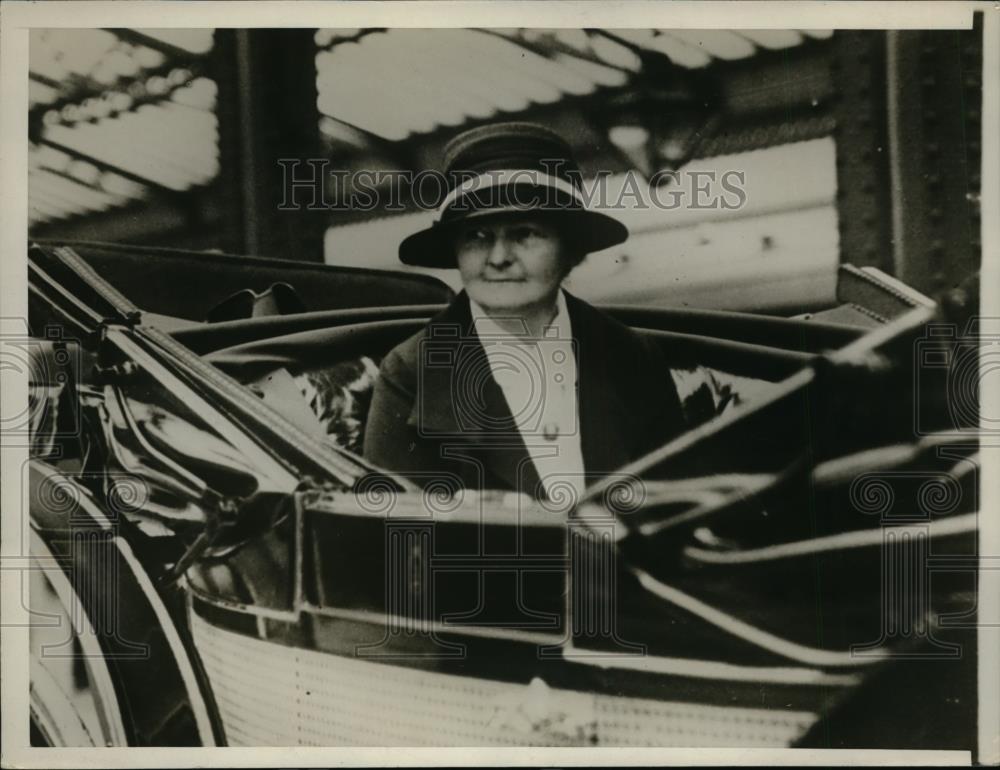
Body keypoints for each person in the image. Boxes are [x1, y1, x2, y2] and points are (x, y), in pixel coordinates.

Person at [363, 122, 688, 502]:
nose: (499, 258)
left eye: (524, 233)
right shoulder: (411, 370)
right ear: (455, 251)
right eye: (477, 236)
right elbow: (390, 535)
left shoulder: (631, 355)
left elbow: (679, 504)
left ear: (571, 249)